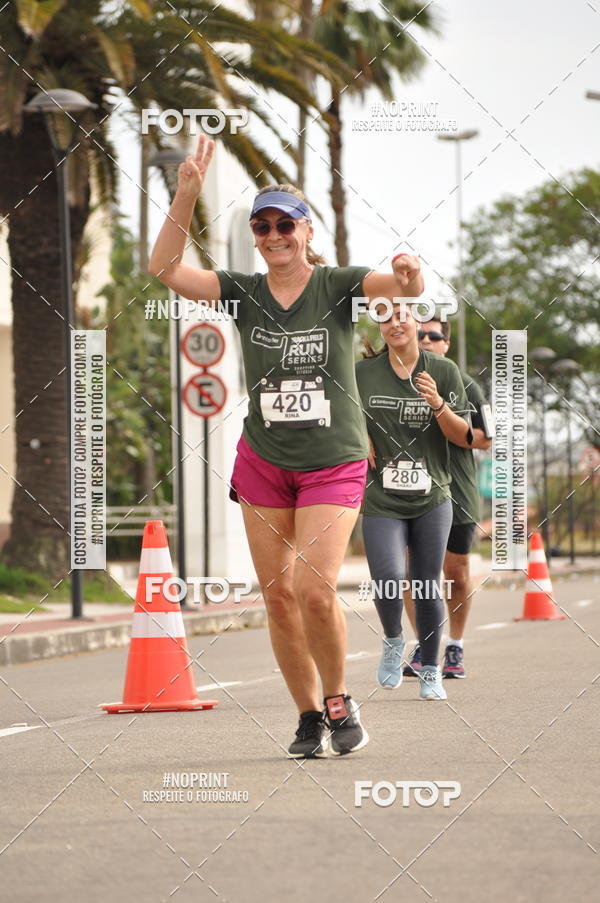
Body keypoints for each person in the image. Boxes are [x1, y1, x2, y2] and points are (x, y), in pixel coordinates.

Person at [148, 135, 424, 755]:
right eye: (262, 226)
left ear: (305, 231)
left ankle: (337, 698)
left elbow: (401, 285)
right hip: (265, 463)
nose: (272, 235)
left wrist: (409, 276)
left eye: (284, 225)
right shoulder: (243, 293)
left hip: (333, 460)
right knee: (276, 598)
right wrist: (186, 196)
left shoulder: (338, 285)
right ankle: (306, 716)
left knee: (312, 588)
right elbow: (164, 270)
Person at [355, 303, 471, 700]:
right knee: (387, 579)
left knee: (426, 586)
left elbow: (464, 436)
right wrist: (359, 434)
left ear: (416, 320)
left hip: (432, 497)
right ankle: (392, 640)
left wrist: (439, 404)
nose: (394, 323)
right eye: (385, 317)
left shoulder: (443, 370)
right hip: (382, 496)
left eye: (402, 315)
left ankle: (432, 670)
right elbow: (341, 415)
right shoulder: (363, 372)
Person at [403, 316, 493, 679]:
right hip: (409, 492)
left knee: (455, 573)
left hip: (455, 491)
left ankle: (454, 645)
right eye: (419, 333)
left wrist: (447, 419)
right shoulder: (395, 381)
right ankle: (426, 647)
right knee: (411, 576)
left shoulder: (465, 384)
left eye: (433, 335)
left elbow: (487, 437)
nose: (425, 339)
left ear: (446, 344)